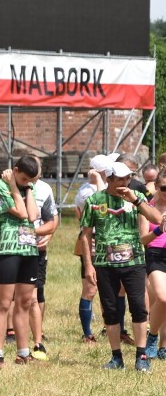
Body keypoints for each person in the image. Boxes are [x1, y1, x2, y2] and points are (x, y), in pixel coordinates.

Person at [80, 161, 162, 372]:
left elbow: (157, 219)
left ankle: (141, 355)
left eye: (128, 178)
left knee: (139, 308)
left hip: (134, 262)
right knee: (111, 310)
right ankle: (116, 357)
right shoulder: (94, 201)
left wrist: (135, 200)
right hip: (104, 264)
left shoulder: (138, 197)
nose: (125, 183)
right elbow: (86, 234)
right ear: (108, 180)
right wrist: (88, 265)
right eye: (120, 179)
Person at [0, 156, 40, 369]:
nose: (26, 182)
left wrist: (28, 188)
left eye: (31, 180)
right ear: (15, 171)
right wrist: (13, 185)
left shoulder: (30, 187)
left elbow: (31, 215)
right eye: (23, 178)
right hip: (8, 249)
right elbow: (20, 212)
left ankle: (23, 352)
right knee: (3, 302)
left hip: (29, 249)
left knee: (24, 302)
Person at [74, 155, 109, 344]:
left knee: (113, 287)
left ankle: (113, 327)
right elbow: (103, 208)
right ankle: (87, 333)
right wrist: (97, 183)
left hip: (109, 241)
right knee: (91, 287)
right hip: (94, 240)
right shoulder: (88, 191)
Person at [29, 160, 59, 358]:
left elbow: (52, 219)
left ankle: (37, 337)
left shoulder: (45, 188)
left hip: (38, 248)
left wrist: (47, 236)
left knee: (37, 293)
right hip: (15, 249)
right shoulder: (8, 186)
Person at [140, 168, 166, 361]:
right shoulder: (147, 207)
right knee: (163, 298)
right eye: (165, 187)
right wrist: (159, 230)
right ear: (156, 186)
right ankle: (152, 337)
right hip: (155, 255)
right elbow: (142, 240)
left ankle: (163, 347)